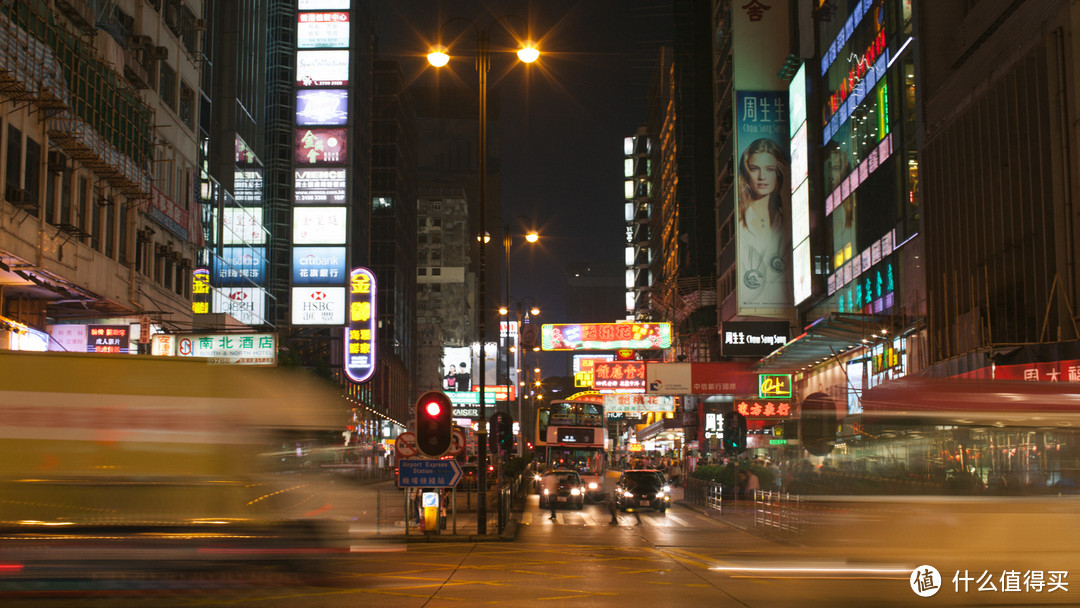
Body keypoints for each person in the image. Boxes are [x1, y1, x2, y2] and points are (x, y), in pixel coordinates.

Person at [737, 137, 791, 307]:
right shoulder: (738, 222)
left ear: (779, 173)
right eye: (754, 169)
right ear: (746, 173)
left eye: (769, 169)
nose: (761, 177)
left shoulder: (788, 220)